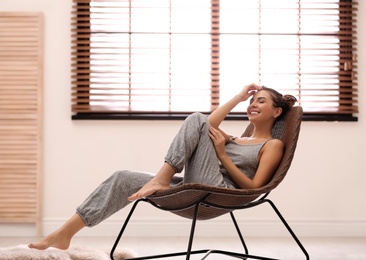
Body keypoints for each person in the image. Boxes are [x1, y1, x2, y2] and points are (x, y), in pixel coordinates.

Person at [28, 83, 296, 250]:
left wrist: (223, 157)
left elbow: (254, 188)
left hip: (219, 193)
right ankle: (64, 234)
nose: (253, 104)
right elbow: (207, 125)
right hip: (197, 183)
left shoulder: (272, 145)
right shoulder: (238, 137)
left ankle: (161, 178)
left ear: (277, 112)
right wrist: (238, 97)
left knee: (196, 118)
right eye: (252, 101)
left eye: (261, 101)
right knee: (123, 176)